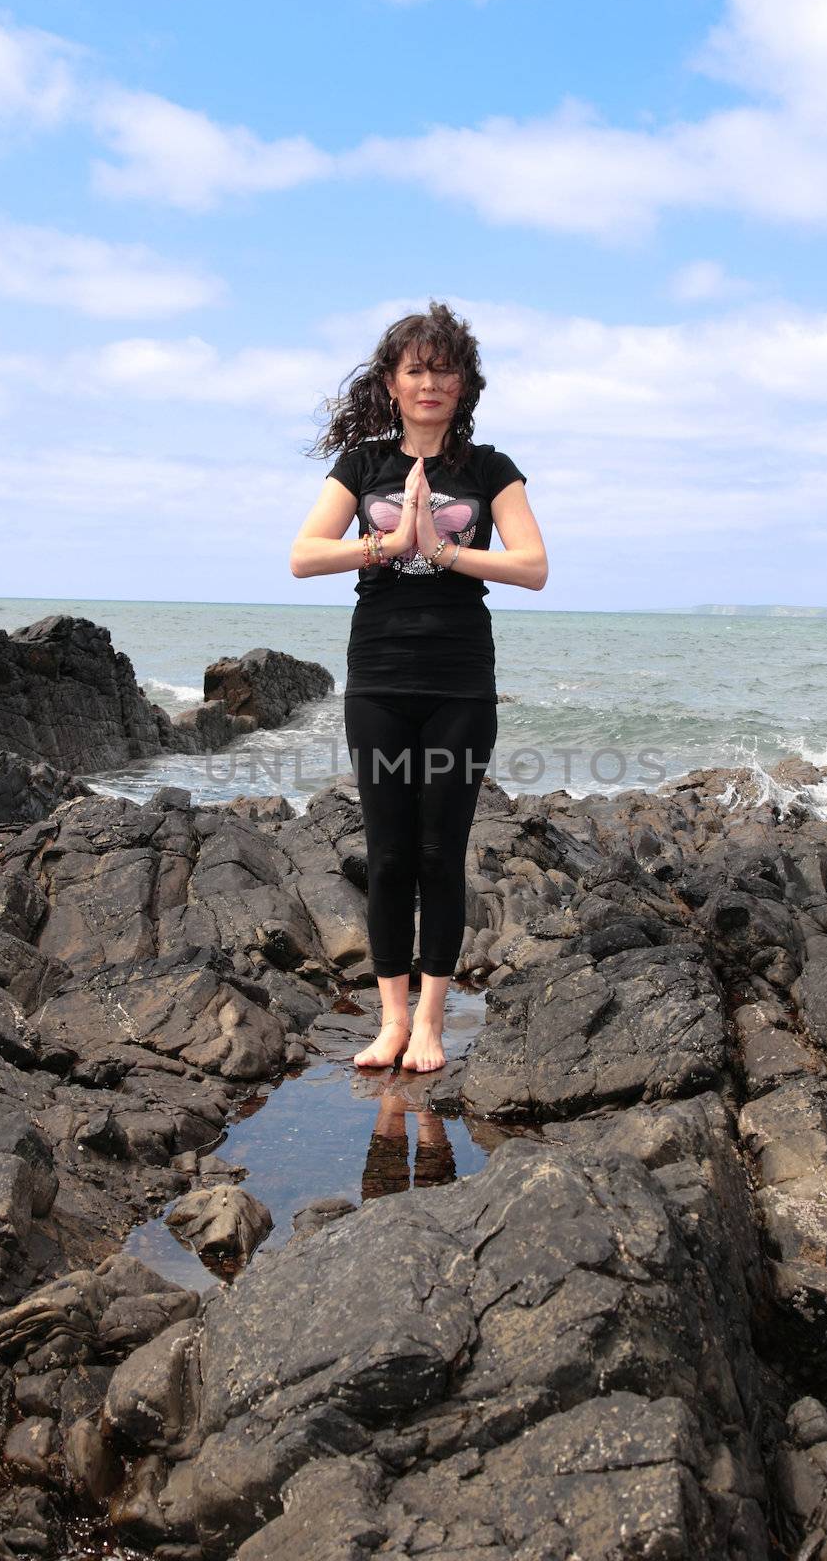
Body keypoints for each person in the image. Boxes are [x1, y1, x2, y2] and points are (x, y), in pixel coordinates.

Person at [290, 300, 548, 1073]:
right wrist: (388, 543)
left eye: (443, 368)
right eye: (415, 369)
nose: (430, 381)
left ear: (463, 383)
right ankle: (391, 1021)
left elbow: (532, 568)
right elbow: (303, 555)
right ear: (392, 384)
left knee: (442, 852)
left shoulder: (489, 469)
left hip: (458, 683)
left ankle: (432, 1022)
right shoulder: (363, 466)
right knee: (388, 850)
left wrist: (441, 551)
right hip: (377, 678)